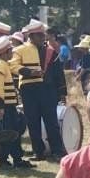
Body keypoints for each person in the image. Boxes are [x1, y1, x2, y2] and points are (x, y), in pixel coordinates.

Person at [12, 20, 67, 162]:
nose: (43, 38)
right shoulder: (19, 50)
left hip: (48, 90)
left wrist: (62, 92)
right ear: (31, 36)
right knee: (32, 121)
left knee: (51, 121)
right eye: (40, 35)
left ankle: (57, 151)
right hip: (28, 89)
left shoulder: (51, 51)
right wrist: (29, 72)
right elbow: (13, 66)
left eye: (43, 35)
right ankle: (38, 151)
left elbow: (59, 73)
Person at [0, 33, 34, 169]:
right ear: (4, 52)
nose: (12, 52)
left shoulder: (4, 65)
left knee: (14, 133)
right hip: (2, 107)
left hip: (8, 106)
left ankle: (17, 159)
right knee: (4, 134)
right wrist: (0, 108)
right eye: (10, 50)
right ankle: (3, 160)